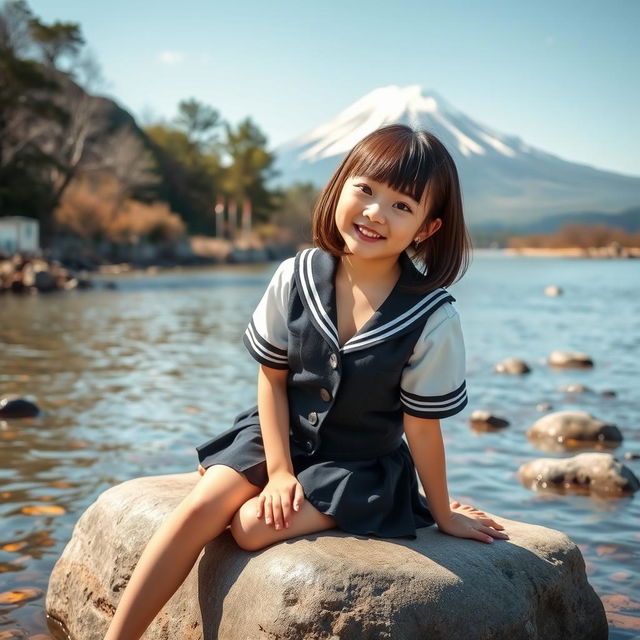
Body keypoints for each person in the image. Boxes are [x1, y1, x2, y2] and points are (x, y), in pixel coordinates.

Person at [104, 124, 508, 639]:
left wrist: (443, 513)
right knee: (203, 506)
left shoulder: (431, 317)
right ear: (340, 186)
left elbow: (422, 428)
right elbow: (271, 382)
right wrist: (277, 472)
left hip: (355, 461)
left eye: (402, 206)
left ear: (427, 229)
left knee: (250, 528)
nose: (375, 213)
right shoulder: (295, 276)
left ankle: (390, 506)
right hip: (277, 435)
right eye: (365, 190)